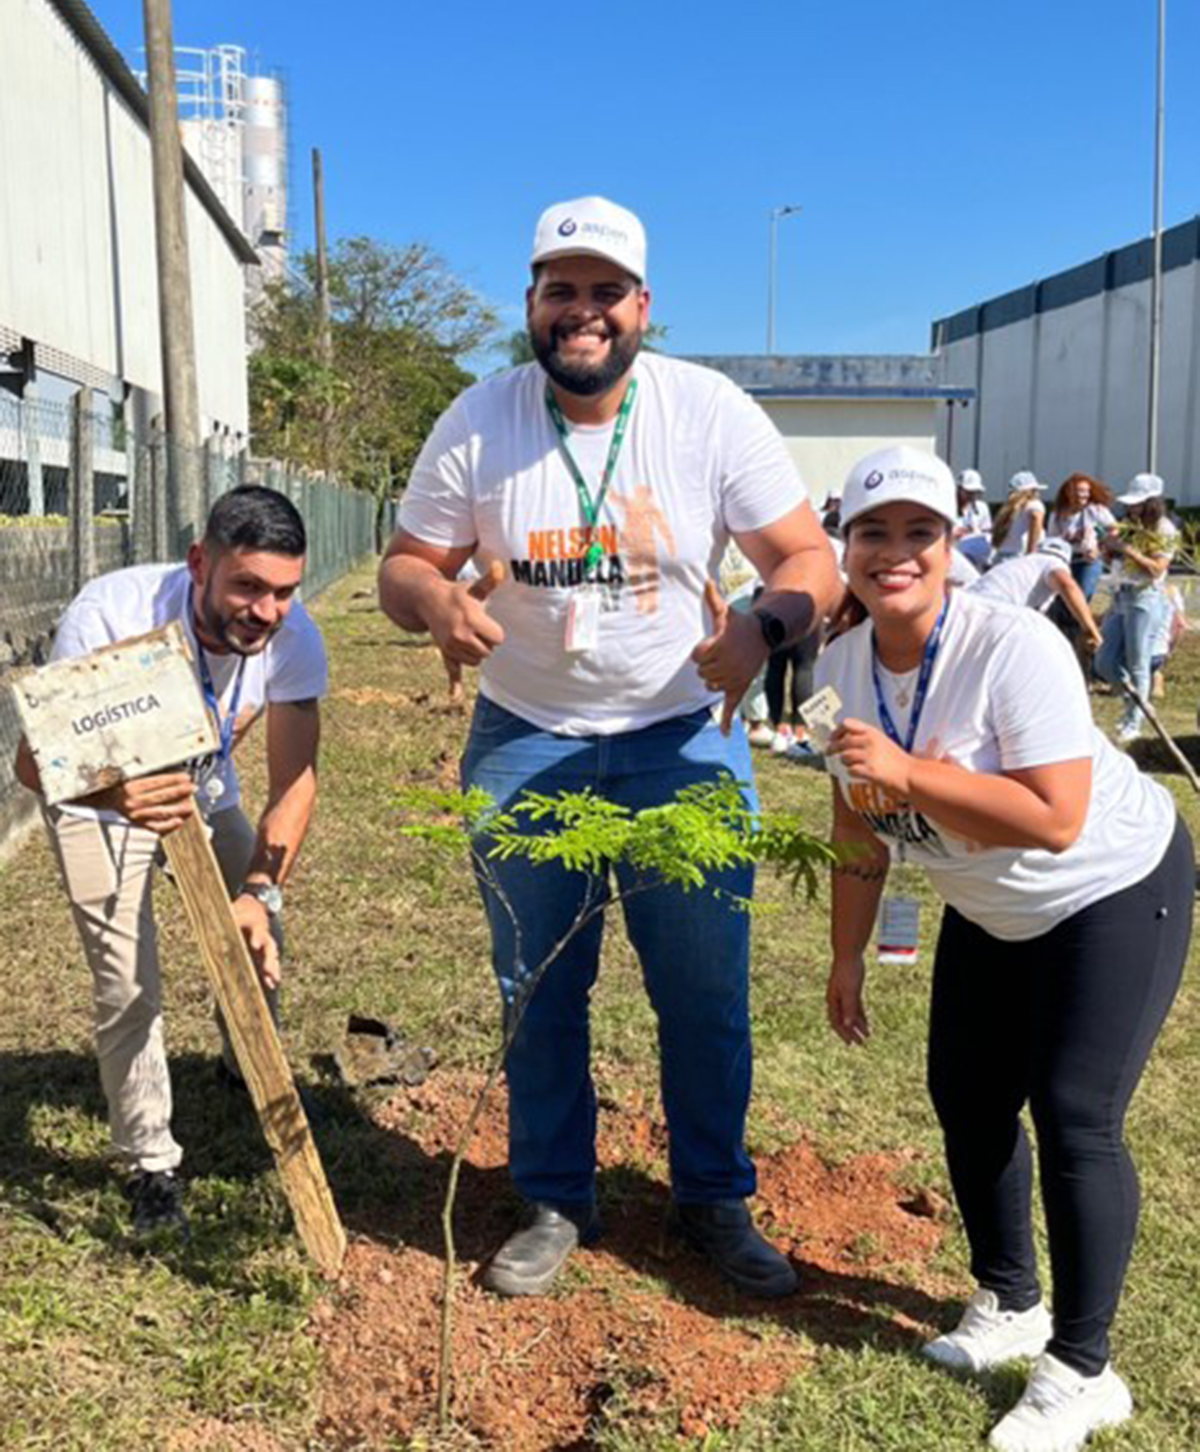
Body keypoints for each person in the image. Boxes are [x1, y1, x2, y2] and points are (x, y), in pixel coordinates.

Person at [379, 195, 840, 1299]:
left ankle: (714, 1198)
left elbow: (810, 560)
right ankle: (551, 1196)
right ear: (531, 304)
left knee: (704, 991)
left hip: (681, 740)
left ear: (643, 307)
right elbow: (405, 563)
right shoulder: (480, 418)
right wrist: (436, 603)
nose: (581, 312)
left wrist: (760, 626)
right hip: (526, 740)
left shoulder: (708, 411)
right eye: (560, 289)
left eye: (604, 292)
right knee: (538, 986)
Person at [817, 446, 1191, 1452]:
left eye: (919, 533)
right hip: (990, 910)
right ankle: (1012, 1299)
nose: (895, 552)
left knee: (1076, 1114)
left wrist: (907, 770)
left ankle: (1083, 1365)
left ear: (953, 544)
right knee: (970, 1096)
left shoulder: (1013, 646)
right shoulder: (835, 670)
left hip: (1110, 885)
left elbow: (1058, 816)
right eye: (873, 532)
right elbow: (856, 826)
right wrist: (848, 957)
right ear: (844, 546)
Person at [14, 486, 328, 1238]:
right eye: (247, 587)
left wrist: (260, 892)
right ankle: (149, 1163)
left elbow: (296, 781)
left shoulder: (293, 636)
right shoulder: (110, 612)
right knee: (128, 983)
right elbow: (36, 765)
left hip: (205, 790)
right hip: (100, 799)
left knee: (257, 932)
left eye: (284, 591)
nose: (266, 611)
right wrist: (126, 802)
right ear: (199, 564)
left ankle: (248, 1061)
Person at [1093, 473, 1178, 744]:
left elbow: (1157, 570)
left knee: (1138, 662)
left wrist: (1127, 550)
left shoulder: (1164, 529)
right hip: (1121, 594)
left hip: (1146, 597)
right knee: (1104, 661)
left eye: (1138, 503)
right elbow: (1117, 561)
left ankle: (1133, 721)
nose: (1131, 508)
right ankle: (1137, 700)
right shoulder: (1129, 524)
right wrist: (1108, 551)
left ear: (1152, 502)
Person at [968, 537, 1102, 651]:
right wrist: (1091, 630)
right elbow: (1067, 585)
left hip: (971, 603)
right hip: (995, 609)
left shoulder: (1023, 562)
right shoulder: (1054, 563)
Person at [1046, 473, 1116, 602]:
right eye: (1081, 491)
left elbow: (1114, 531)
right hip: (1065, 560)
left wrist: (1100, 549)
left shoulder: (1096, 510)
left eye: (1088, 491)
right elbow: (1051, 540)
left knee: (1082, 595)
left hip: (1088, 561)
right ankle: (1065, 622)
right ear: (1070, 492)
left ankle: (1078, 621)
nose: (1085, 495)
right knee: (1062, 597)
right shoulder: (1057, 515)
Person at [990, 471, 1047, 562]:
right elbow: (1036, 518)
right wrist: (1030, 554)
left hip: (1000, 557)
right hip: (1019, 557)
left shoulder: (1007, 509)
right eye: (1036, 490)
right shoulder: (1035, 505)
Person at [953, 469, 992, 572]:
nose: (972, 496)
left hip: (977, 559)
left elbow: (986, 531)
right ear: (959, 489)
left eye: (975, 492)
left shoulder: (982, 507)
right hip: (956, 556)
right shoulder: (948, 507)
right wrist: (955, 533)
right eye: (968, 492)